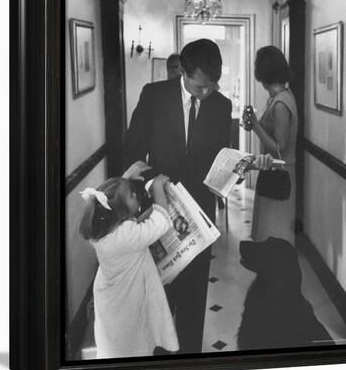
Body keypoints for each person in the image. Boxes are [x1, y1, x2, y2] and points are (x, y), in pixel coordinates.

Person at [126, 39, 232, 353]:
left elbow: (219, 157)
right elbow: (132, 150)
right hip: (158, 207)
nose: (207, 93)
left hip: (200, 212)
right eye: (200, 87)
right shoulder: (154, 95)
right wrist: (151, 184)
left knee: (195, 290)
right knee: (160, 288)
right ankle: (158, 354)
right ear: (183, 72)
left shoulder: (221, 104)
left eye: (212, 86)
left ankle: (189, 358)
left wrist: (235, 168)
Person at [79, 173, 179, 359]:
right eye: (132, 194)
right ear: (120, 212)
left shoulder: (101, 230)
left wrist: (124, 179)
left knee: (115, 341)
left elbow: (121, 213)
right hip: (128, 298)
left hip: (111, 297)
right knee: (135, 339)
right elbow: (162, 221)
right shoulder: (127, 235)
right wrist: (158, 188)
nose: (136, 194)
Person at [243, 46, 299, 245]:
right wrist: (254, 124)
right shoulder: (277, 98)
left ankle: (274, 273)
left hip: (280, 173)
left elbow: (279, 147)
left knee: (274, 233)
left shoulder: (281, 104)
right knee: (268, 231)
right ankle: (269, 272)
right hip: (272, 169)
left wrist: (256, 126)